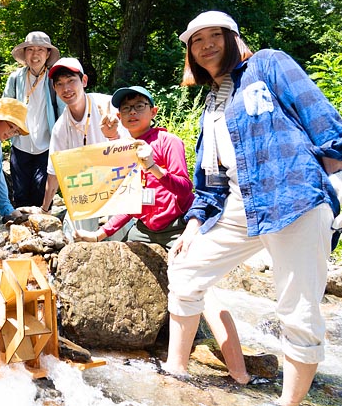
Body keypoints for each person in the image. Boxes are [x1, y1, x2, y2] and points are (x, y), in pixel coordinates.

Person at [162, 10, 342, 406]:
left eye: (216, 35)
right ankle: (175, 369)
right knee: (184, 271)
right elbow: (211, 178)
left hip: (293, 195)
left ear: (234, 38)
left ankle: (288, 402)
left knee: (297, 309)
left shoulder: (268, 63)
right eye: (197, 41)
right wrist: (194, 224)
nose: (206, 45)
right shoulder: (211, 103)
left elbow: (317, 112)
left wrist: (337, 179)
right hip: (239, 203)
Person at [74, 85, 251, 384]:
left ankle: (240, 373)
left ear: (153, 112)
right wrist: (102, 232)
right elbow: (130, 202)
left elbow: (185, 189)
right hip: (144, 229)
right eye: (126, 108)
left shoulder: (168, 141)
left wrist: (153, 167)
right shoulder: (125, 148)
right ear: (118, 115)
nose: (132, 112)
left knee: (204, 293)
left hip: (178, 227)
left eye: (139, 106)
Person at [38, 57, 129, 238]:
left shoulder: (108, 106)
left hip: (118, 182)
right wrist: (45, 209)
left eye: (71, 81)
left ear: (84, 81)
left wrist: (115, 135)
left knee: (120, 236)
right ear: (54, 89)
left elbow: (133, 148)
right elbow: (54, 172)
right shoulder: (60, 127)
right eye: (60, 84)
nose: (66, 89)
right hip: (86, 188)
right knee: (76, 235)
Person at [3, 32, 64, 207]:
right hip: (20, 143)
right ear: (24, 54)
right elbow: (6, 107)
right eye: (30, 49)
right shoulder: (15, 78)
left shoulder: (55, 80)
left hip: (46, 145)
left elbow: (63, 110)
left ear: (47, 54)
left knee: (41, 191)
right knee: (20, 193)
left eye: (40, 50)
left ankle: (43, 228)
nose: (35, 54)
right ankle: (20, 230)